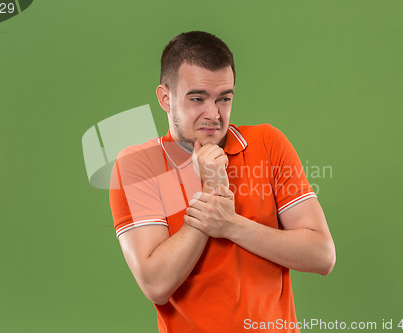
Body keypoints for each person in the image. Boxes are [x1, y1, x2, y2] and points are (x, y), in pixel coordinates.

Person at [109, 30, 336, 333]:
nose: (213, 114)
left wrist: (230, 225)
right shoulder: (139, 166)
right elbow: (156, 283)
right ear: (166, 98)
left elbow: (322, 255)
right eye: (197, 98)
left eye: (224, 98)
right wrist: (211, 193)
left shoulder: (268, 143)